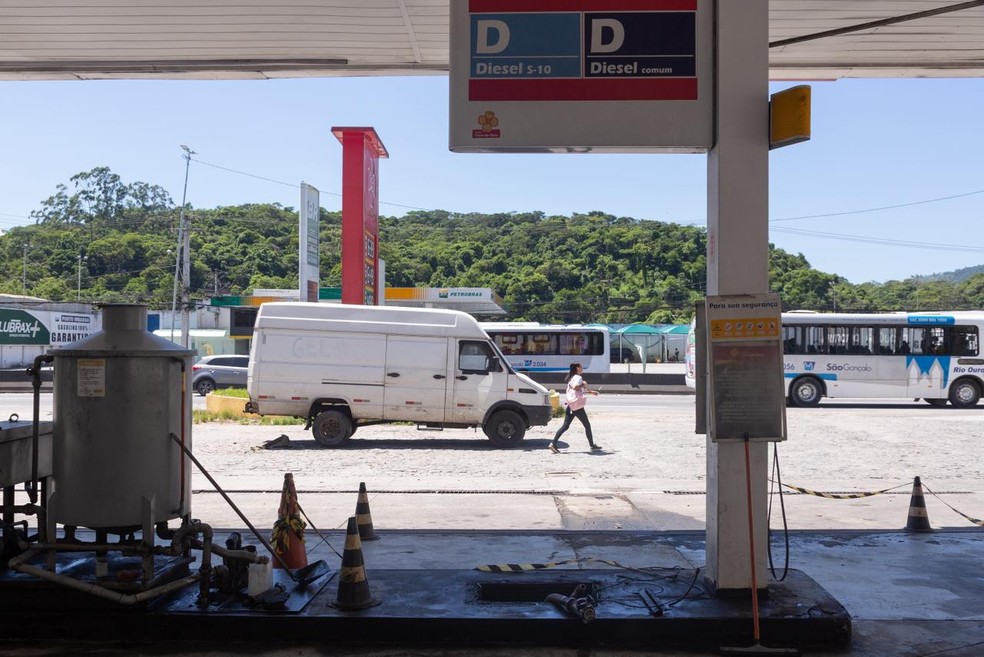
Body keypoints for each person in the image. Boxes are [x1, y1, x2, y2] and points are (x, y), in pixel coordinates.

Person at [549, 362, 601, 453]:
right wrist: (583, 384)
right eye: (581, 367)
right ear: (577, 368)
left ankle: (553, 443)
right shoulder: (578, 377)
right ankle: (592, 445)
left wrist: (591, 392)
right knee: (587, 425)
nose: (582, 368)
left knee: (565, 426)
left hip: (571, 405)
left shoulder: (571, 378)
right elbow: (577, 388)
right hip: (577, 406)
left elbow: (578, 390)